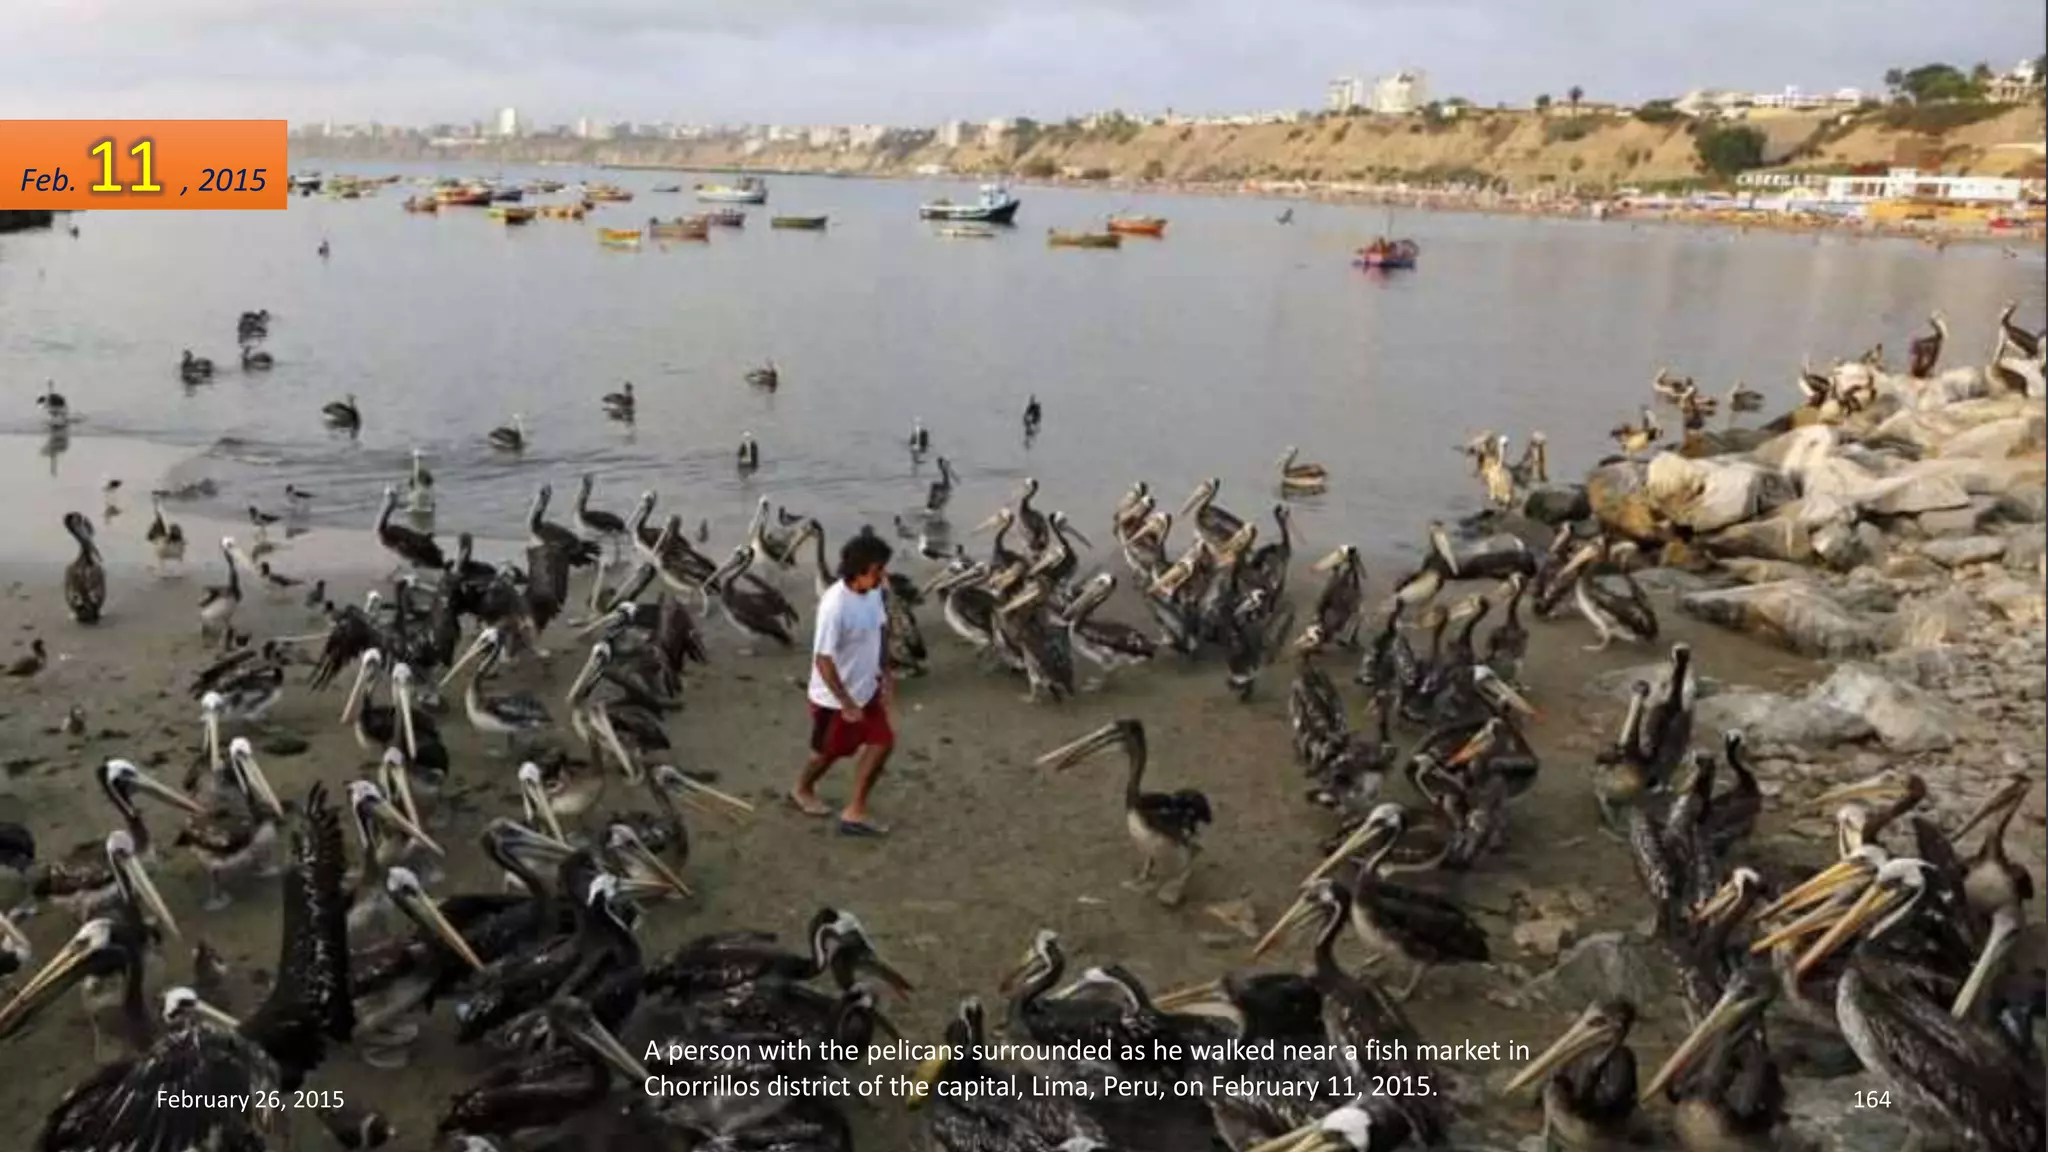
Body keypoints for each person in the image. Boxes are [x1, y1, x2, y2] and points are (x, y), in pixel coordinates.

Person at [791, 531, 895, 836]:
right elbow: (823, 660)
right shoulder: (834, 606)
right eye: (878, 569)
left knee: (882, 743)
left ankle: (855, 811)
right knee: (827, 753)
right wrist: (846, 703)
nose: (883, 575)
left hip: (867, 689)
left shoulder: (874, 592)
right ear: (859, 569)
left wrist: (886, 672)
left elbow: (881, 630)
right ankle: (802, 788)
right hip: (833, 699)